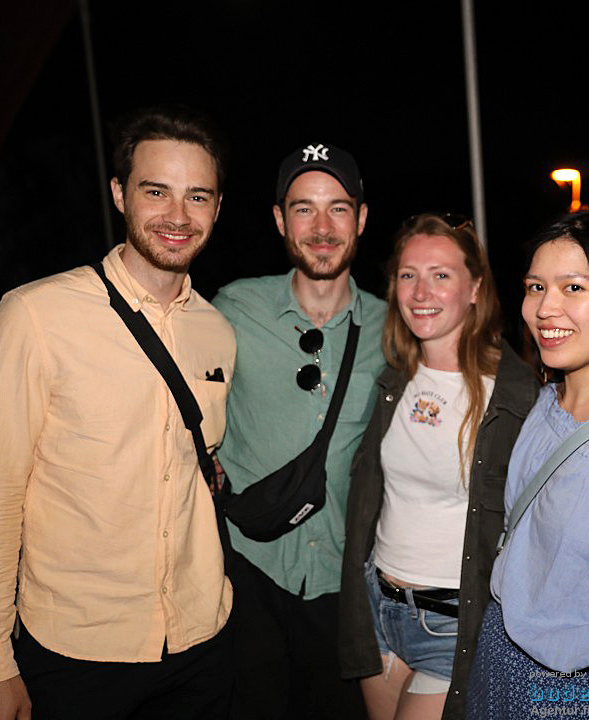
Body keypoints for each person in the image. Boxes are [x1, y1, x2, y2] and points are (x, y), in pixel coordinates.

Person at [0, 105, 235, 719]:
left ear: (217, 208)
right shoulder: (34, 317)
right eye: (156, 191)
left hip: (200, 643)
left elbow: (198, 471)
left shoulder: (217, 331)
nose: (178, 216)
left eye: (198, 196)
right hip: (75, 651)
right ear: (119, 194)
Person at [338, 214, 538, 720]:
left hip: (450, 624)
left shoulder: (513, 396)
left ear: (475, 287)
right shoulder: (394, 379)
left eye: (440, 275)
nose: (420, 291)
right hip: (378, 609)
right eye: (408, 275)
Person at [213, 142, 386, 719]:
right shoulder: (234, 308)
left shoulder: (396, 329)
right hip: (246, 574)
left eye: (338, 208)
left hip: (346, 583)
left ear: (361, 218)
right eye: (303, 208)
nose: (321, 227)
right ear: (279, 219)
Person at [466, 209, 589, 718]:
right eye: (535, 287)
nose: (545, 308)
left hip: (583, 691)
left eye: (573, 288)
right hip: (499, 654)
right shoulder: (545, 401)